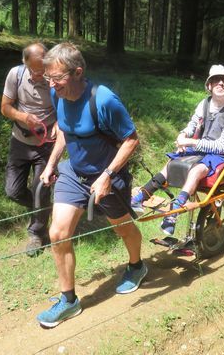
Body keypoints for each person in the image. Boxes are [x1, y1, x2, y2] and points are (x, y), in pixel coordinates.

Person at [36, 42, 145, 328]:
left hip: (108, 175)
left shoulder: (104, 99)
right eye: (48, 78)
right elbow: (63, 132)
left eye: (57, 78)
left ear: (77, 72)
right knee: (58, 233)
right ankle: (69, 301)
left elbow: (131, 140)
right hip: (74, 172)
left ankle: (136, 265)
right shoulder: (56, 94)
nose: (51, 84)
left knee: (123, 228)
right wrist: (51, 164)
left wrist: (108, 175)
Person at [130, 65, 224, 236]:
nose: (220, 83)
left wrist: (191, 142)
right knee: (171, 163)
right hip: (201, 149)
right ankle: (140, 198)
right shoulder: (204, 103)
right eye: (215, 80)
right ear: (209, 85)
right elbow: (192, 125)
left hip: (223, 155)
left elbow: (222, 146)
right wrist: (183, 135)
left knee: (197, 170)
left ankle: (174, 212)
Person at [0, 43, 56, 256]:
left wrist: (60, 124)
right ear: (25, 64)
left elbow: (67, 105)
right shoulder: (16, 74)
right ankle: (42, 208)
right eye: (36, 70)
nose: (41, 75)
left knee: (41, 188)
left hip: (47, 144)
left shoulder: (54, 77)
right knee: (12, 192)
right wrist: (23, 117)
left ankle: (36, 233)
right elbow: (4, 107)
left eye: (44, 69)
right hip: (20, 140)